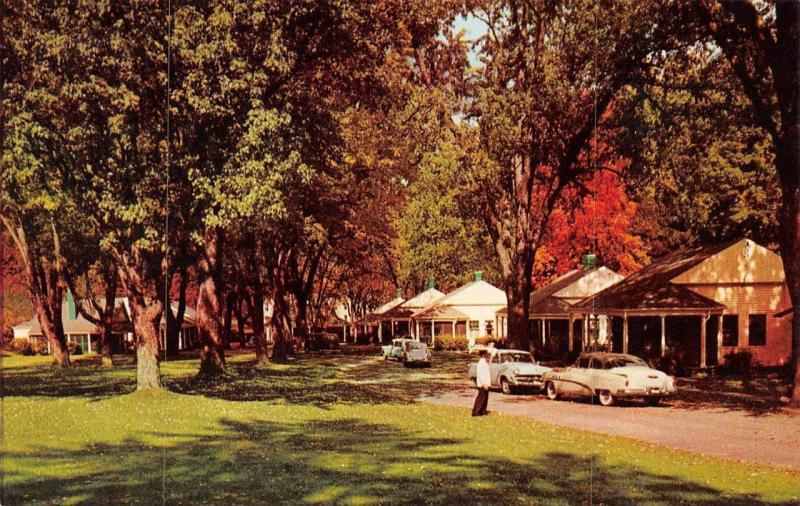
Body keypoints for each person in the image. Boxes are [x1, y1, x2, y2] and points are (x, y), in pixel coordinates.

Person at [472, 349, 491, 416]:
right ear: (483, 355)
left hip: (486, 383)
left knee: (485, 398)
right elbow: (480, 374)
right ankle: (476, 412)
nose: (487, 355)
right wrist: (484, 383)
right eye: (486, 354)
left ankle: (483, 411)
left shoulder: (484, 362)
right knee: (481, 398)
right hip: (482, 384)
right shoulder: (481, 363)